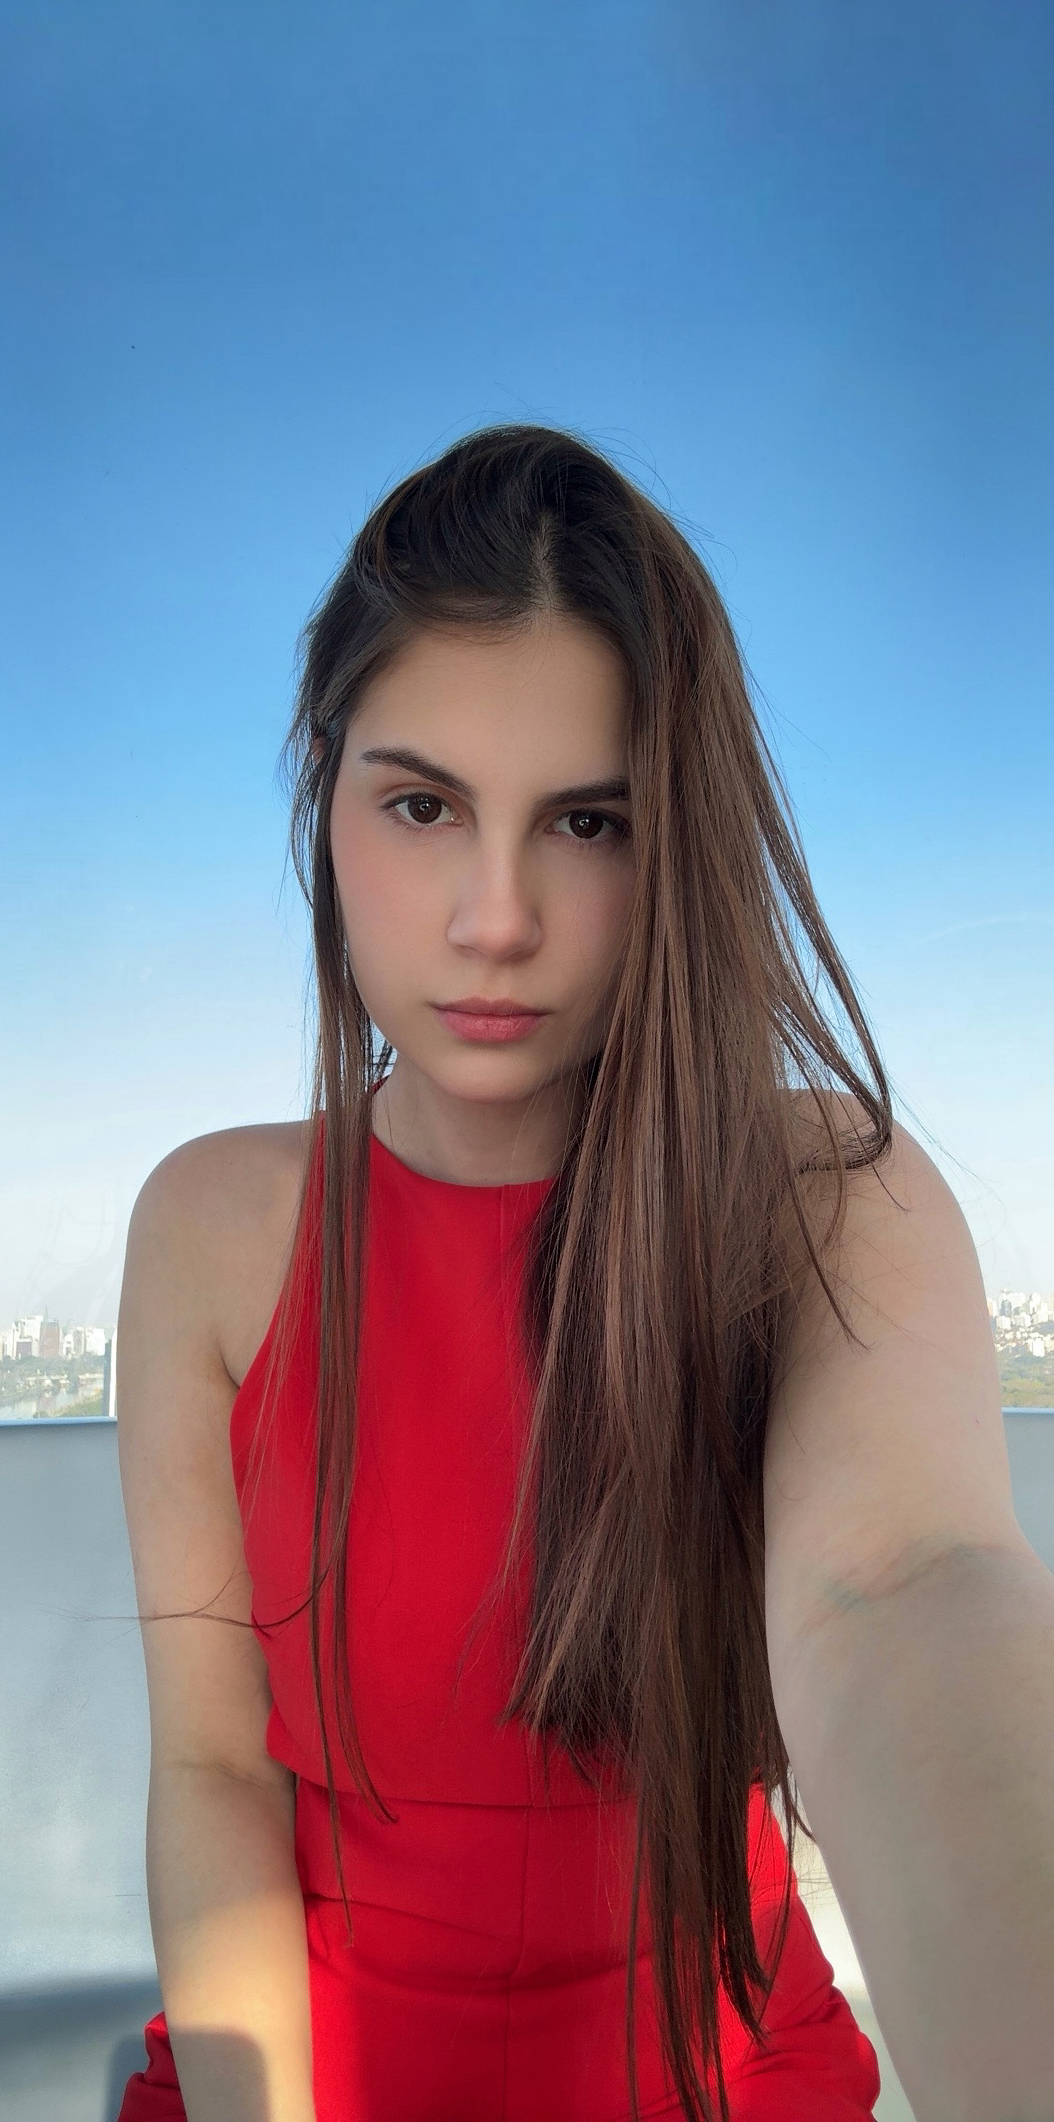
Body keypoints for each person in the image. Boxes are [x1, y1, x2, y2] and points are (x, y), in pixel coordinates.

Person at [114, 425, 1054, 2122]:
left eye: (591, 820)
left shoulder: (817, 1195)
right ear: (323, 791)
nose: (497, 917)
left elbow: (904, 1588)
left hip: (723, 2076)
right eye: (422, 805)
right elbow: (209, 1763)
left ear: (677, 837)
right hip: (306, 2074)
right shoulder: (210, 1227)